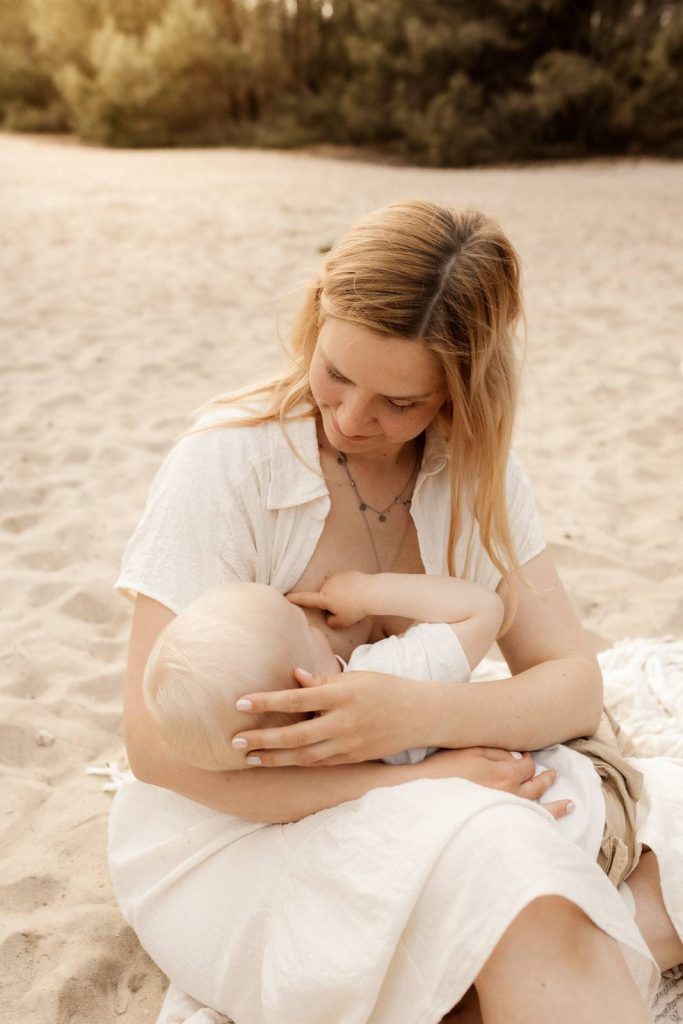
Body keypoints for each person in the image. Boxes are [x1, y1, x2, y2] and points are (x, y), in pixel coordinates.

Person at [108, 199, 683, 1024]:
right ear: (315, 321)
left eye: (399, 403)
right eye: (335, 373)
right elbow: (154, 747)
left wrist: (416, 714)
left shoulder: (473, 472)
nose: (350, 419)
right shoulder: (228, 461)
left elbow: (570, 684)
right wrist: (419, 773)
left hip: (431, 776)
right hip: (239, 824)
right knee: (508, 863)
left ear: (456, 395)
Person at [143, 570, 625, 867]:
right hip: (550, 813)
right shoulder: (380, 676)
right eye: (300, 627)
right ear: (306, 679)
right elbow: (483, 609)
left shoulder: (283, 788)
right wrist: (368, 592)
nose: (311, 622)